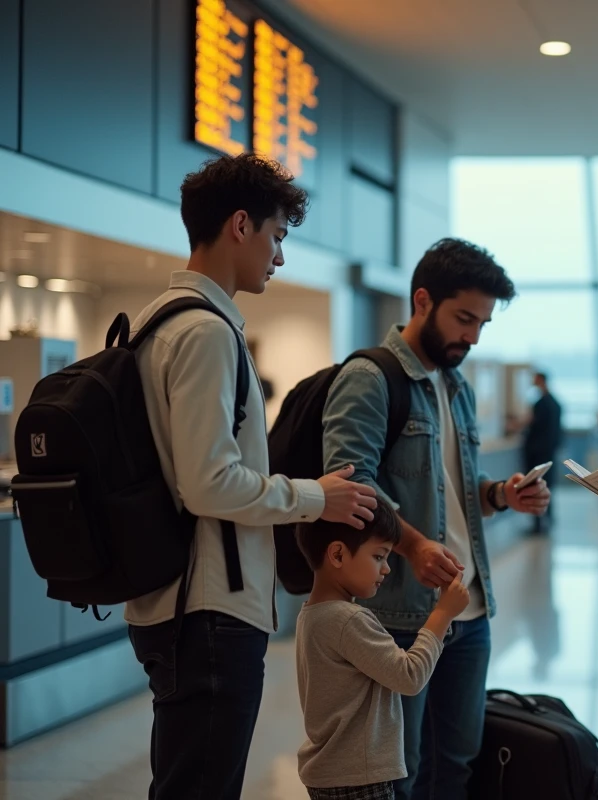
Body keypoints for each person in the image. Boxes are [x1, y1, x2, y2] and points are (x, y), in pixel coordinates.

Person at [125, 153, 377, 800]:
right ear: (241, 225)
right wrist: (315, 497)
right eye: (278, 237)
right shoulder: (205, 333)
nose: (281, 257)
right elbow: (209, 483)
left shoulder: (159, 324)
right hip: (207, 606)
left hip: (175, 599)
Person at [321, 237, 551, 800]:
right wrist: (415, 545)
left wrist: (501, 494)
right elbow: (349, 483)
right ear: (422, 300)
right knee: (399, 770)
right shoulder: (370, 378)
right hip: (398, 612)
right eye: (464, 318)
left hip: (468, 611)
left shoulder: (456, 385)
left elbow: (450, 485)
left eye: (483, 323)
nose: (472, 336)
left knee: (456, 765)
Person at [294, 508, 471, 800]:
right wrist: (443, 614)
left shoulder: (313, 614)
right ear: (337, 555)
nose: (387, 568)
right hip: (359, 779)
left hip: (336, 775)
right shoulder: (348, 619)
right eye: (379, 556)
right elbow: (409, 676)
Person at [523, 371, 563, 534]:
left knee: (535, 485)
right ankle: (548, 518)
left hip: (537, 450)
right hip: (549, 450)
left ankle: (538, 524)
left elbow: (533, 424)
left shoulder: (541, 404)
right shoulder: (555, 403)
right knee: (546, 484)